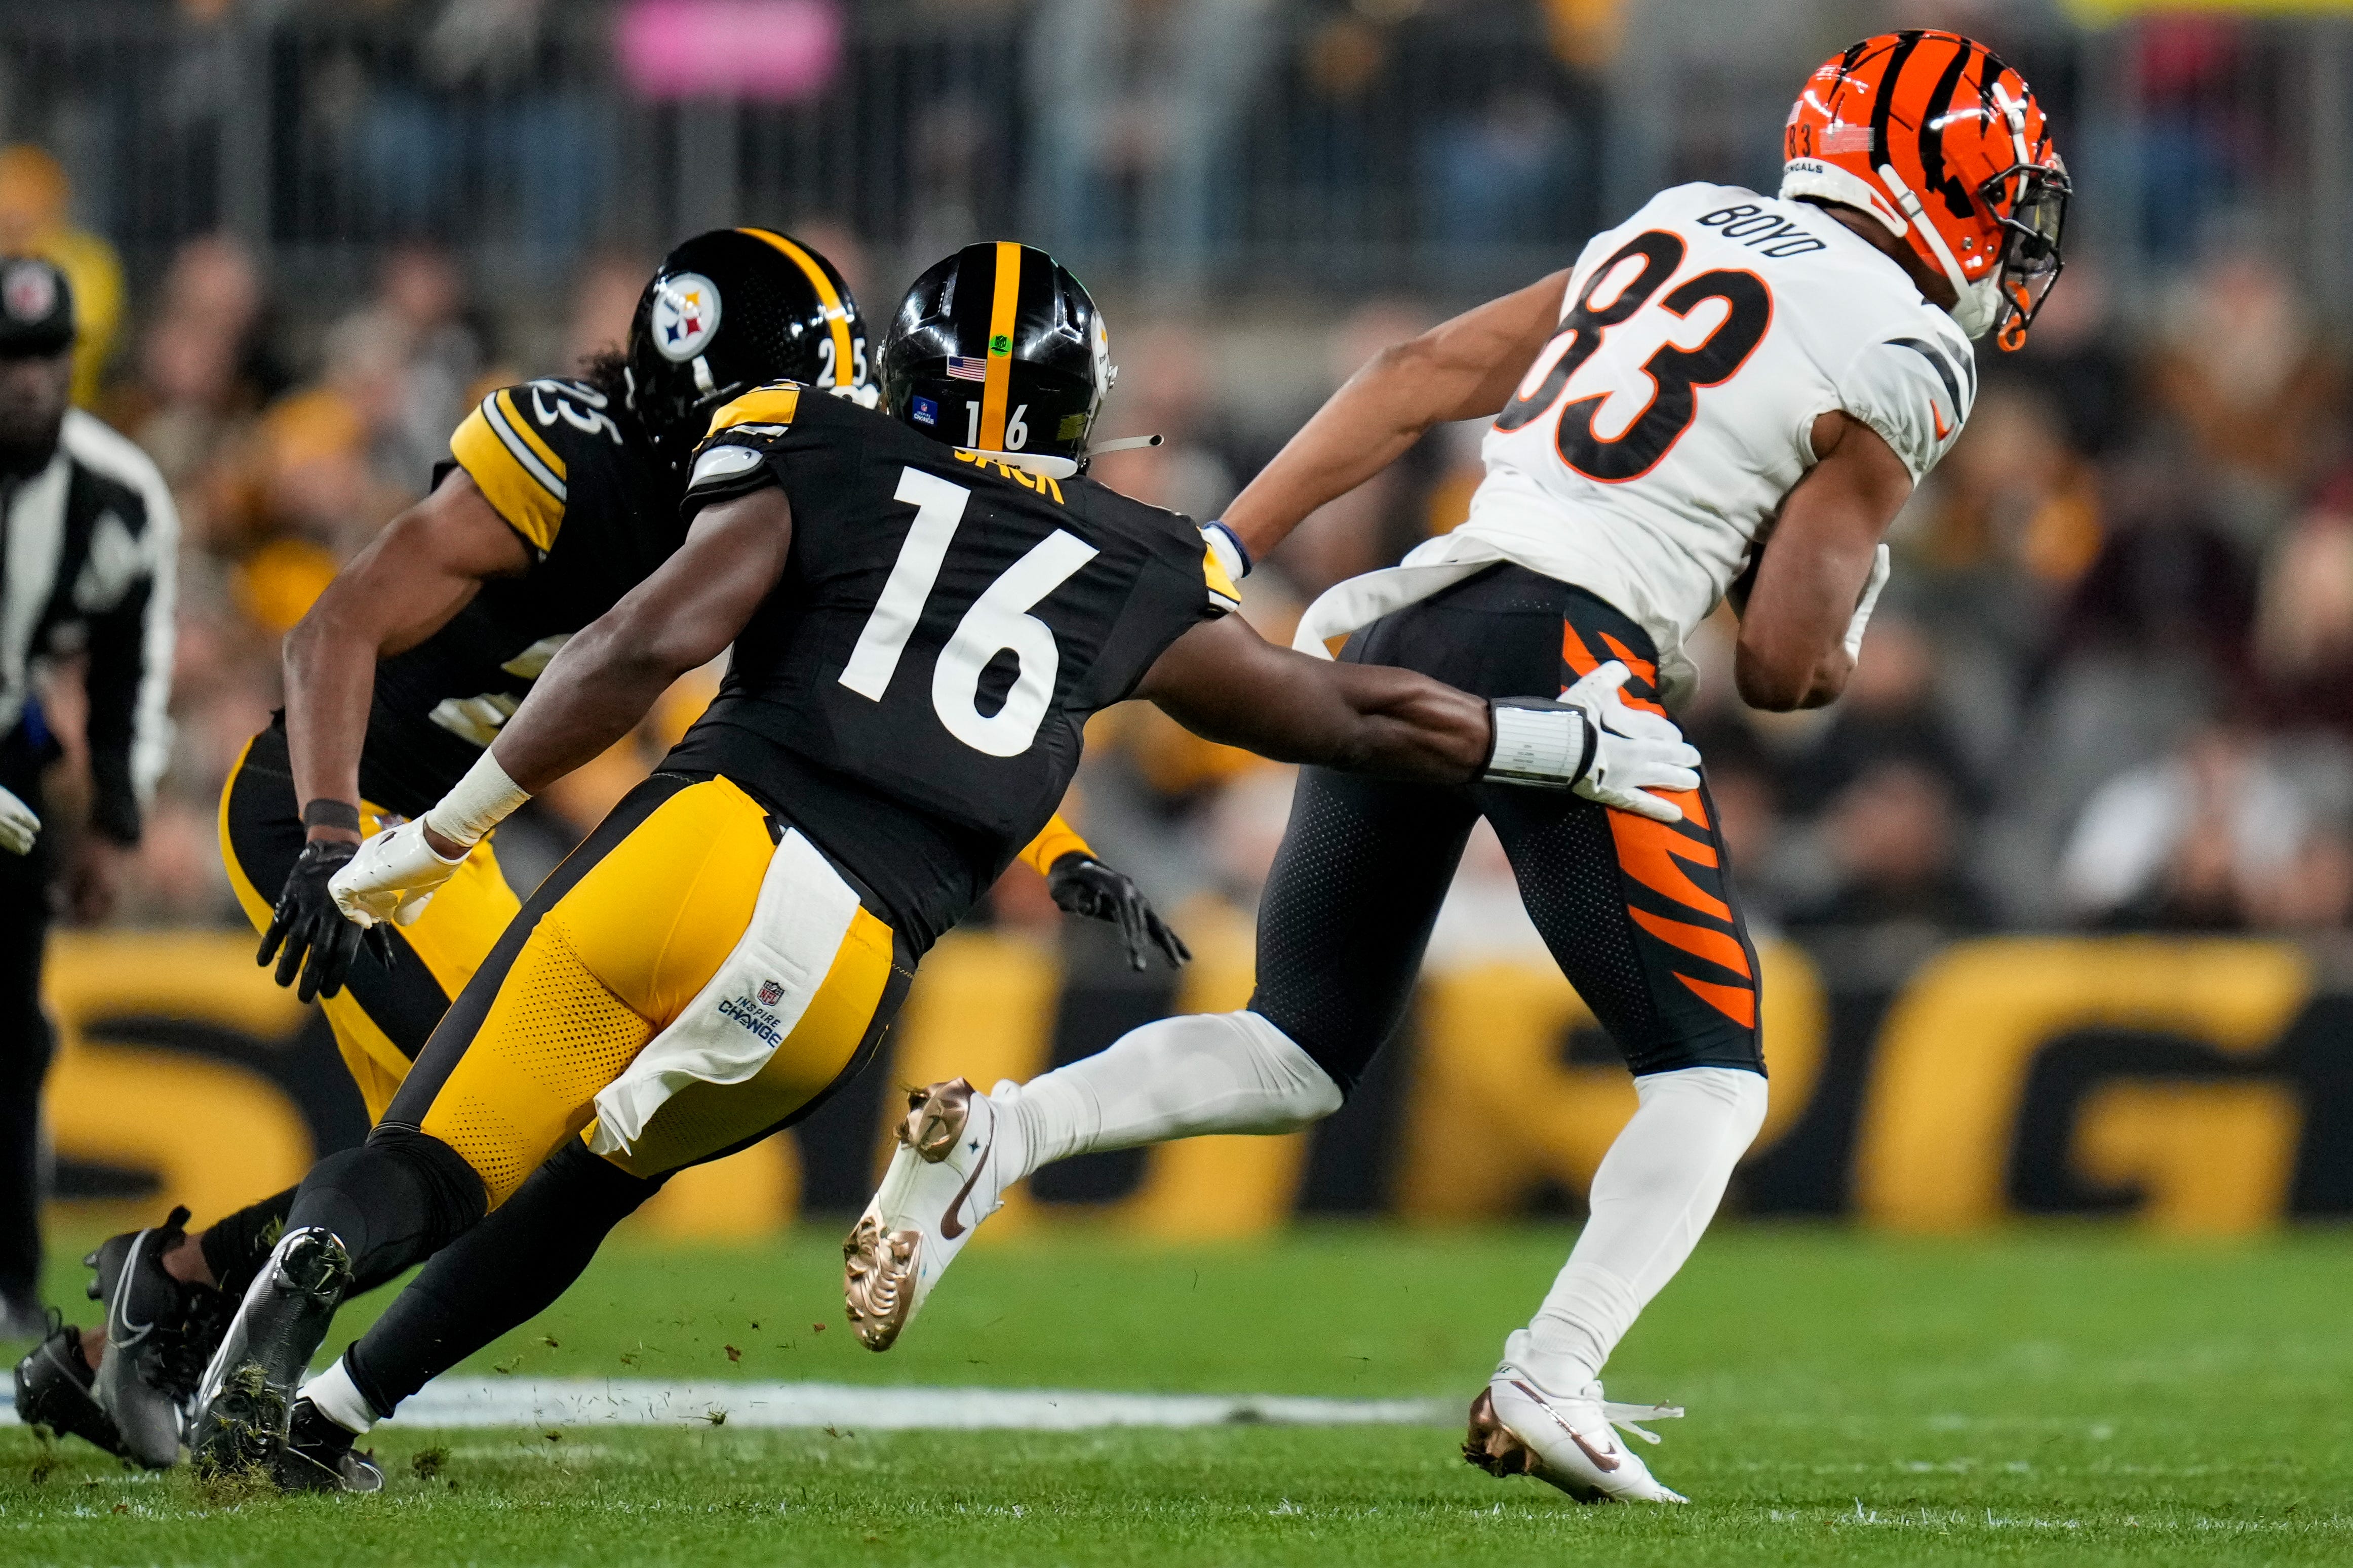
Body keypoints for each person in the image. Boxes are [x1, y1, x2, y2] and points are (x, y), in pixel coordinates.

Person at [181, 240, 1694, 1491]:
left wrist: (441, 832)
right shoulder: (1133, 557)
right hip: (837, 959)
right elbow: (1340, 712)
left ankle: (298, 1302)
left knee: (444, 1153)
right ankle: (335, 1415)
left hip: (694, 846)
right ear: (1082, 404)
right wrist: (1562, 744)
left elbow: (640, 643)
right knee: (584, 1187)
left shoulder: (819, 446)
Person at [846, 30, 2069, 1505]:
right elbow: (1781, 668)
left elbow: (1411, 374)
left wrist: (1222, 548)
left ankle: (1003, 1133)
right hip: (1573, 658)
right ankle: (1553, 1371)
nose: (2014, 233)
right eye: (2002, 192)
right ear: (1929, 179)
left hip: (1417, 618)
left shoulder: (1678, 218)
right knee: (1710, 1081)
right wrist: (1847, 597)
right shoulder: (1910, 347)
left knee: (1295, 1047)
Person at [11, 230, 1170, 1470]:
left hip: (450, 836)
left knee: (472, 1148)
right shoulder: (573, 459)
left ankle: (150, 1313)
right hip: (341, 810)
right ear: (699, 385)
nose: (815, 421)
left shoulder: (779, 487)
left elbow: (875, 703)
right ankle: (183, 1311)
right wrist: (330, 833)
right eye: (791, 396)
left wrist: (1053, 845)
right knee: (491, 1139)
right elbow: (333, 628)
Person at [0, 257, 177, 1338]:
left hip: (12, 761)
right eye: (9, 357)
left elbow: (129, 668)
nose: (27, 378)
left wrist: (115, 818)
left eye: (45, 355)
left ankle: (10, 1281)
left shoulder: (116, 493)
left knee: (12, 1032)